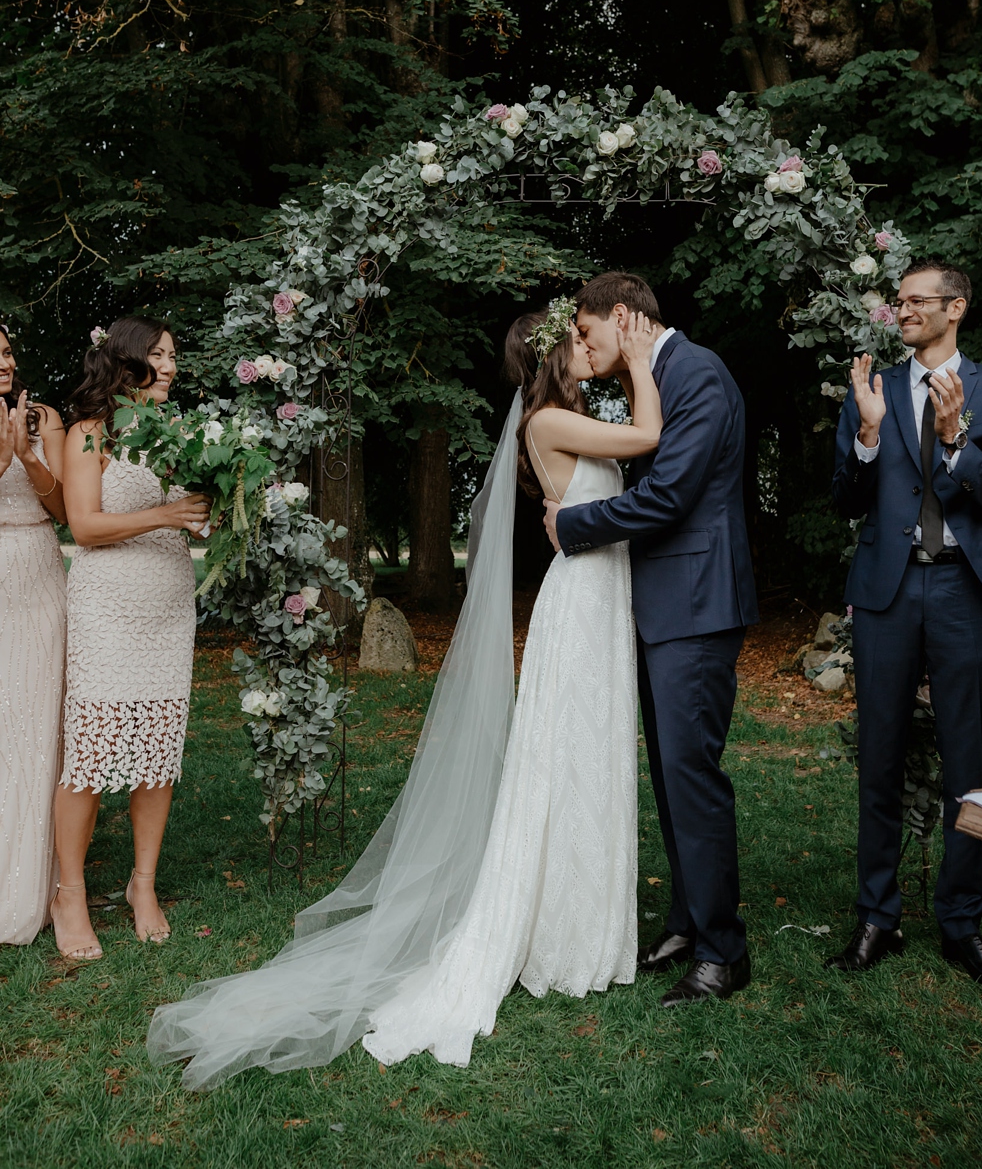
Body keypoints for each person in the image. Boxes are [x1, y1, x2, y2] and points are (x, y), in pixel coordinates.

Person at [147, 300, 661, 1086]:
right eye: (582, 339)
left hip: (598, 594)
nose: (596, 346)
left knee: (588, 759)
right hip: (580, 602)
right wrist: (644, 358)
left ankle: (585, 922)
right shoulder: (549, 421)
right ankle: (555, 928)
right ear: (556, 356)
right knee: (563, 758)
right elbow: (650, 437)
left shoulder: (567, 417)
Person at [544, 272, 758, 1008]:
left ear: (624, 318)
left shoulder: (695, 372)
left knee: (692, 777)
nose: (582, 343)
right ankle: (687, 923)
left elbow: (669, 496)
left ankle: (724, 953)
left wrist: (571, 527)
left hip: (697, 606)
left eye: (586, 329)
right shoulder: (657, 376)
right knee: (671, 776)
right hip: (662, 605)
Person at [827, 260, 982, 985]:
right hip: (887, 593)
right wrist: (866, 437)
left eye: (917, 302)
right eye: (897, 301)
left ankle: (961, 922)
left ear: (954, 308)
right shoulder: (871, 390)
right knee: (881, 756)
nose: (902, 311)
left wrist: (958, 442)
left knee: (969, 765)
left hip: (967, 590)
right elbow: (844, 498)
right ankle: (878, 916)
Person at [52, 319, 210, 961]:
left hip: (168, 608)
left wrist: (206, 516)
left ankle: (142, 884)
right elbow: (84, 525)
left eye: (173, 355)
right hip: (107, 608)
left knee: (159, 750)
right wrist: (169, 514)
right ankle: (69, 893)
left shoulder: (178, 437)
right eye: (160, 355)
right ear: (126, 361)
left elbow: (188, 514)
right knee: (90, 753)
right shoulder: (89, 431)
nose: (171, 366)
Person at [0, 324, 68, 946]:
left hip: (40, 576)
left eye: (7, 352)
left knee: (37, 718)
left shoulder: (42, 415)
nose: (4, 362)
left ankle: (35, 876)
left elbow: (66, 512)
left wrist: (27, 457)